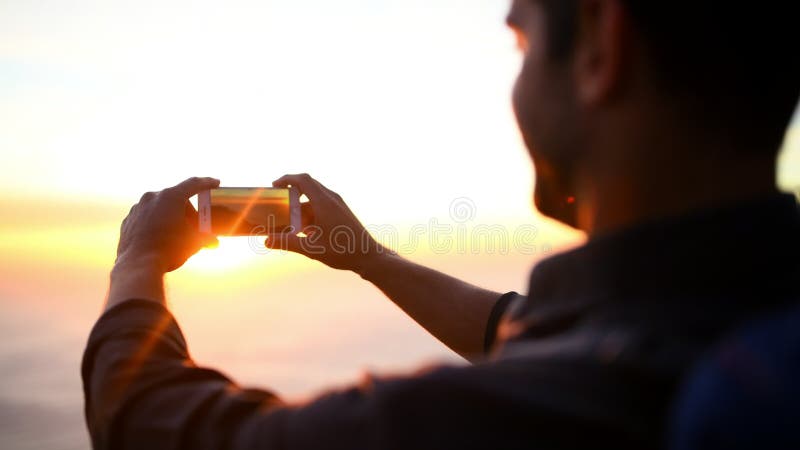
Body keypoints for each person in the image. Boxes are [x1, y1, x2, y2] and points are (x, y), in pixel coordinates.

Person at [82, 0, 800, 449]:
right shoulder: (741, 323)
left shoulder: (477, 422)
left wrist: (136, 262)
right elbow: (529, 331)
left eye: (520, 43)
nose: (516, 80)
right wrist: (368, 258)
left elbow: (154, 427)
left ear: (600, 47)